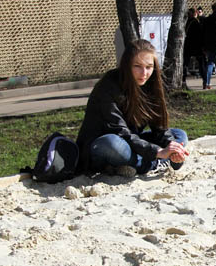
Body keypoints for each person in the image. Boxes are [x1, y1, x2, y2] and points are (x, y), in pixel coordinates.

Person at [76, 39, 190, 177]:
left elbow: (160, 128)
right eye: (137, 66)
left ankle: (133, 164)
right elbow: (120, 132)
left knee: (179, 135)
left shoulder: (151, 85)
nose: (144, 73)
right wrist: (157, 152)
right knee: (113, 144)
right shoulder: (108, 86)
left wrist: (175, 152)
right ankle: (153, 163)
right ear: (127, 65)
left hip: (133, 141)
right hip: (103, 144)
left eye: (149, 67)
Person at [183, 7, 207, 89]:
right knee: (201, 64)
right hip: (197, 47)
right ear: (195, 13)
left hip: (188, 46)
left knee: (185, 64)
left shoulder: (187, 23)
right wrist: (203, 47)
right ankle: (205, 81)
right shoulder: (196, 22)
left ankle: (183, 80)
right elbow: (201, 35)